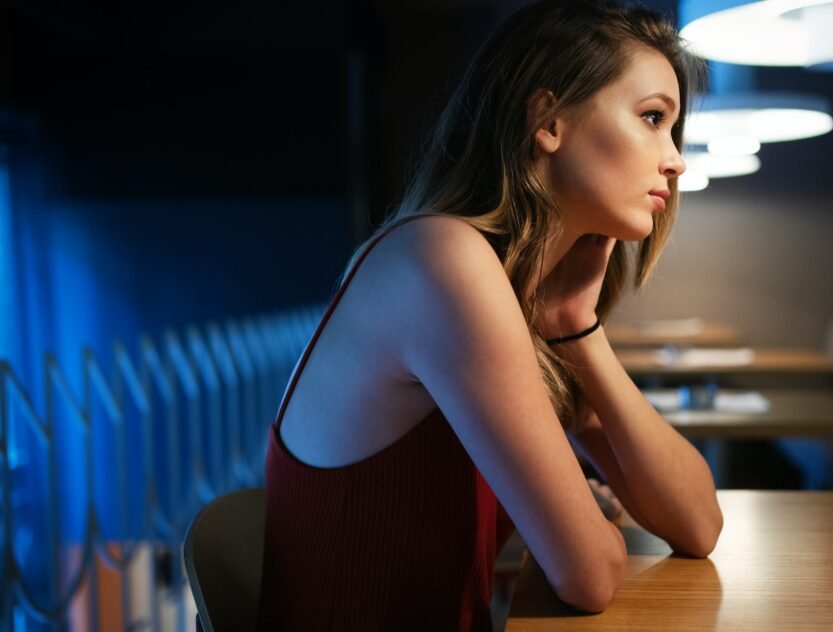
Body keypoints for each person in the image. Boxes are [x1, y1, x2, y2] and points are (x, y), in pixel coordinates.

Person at [256, 1, 722, 629]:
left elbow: (697, 522)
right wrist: (585, 524)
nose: (675, 159)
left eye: (673, 130)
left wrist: (579, 332)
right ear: (547, 119)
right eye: (651, 118)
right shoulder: (442, 260)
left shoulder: (518, 295)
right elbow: (589, 575)